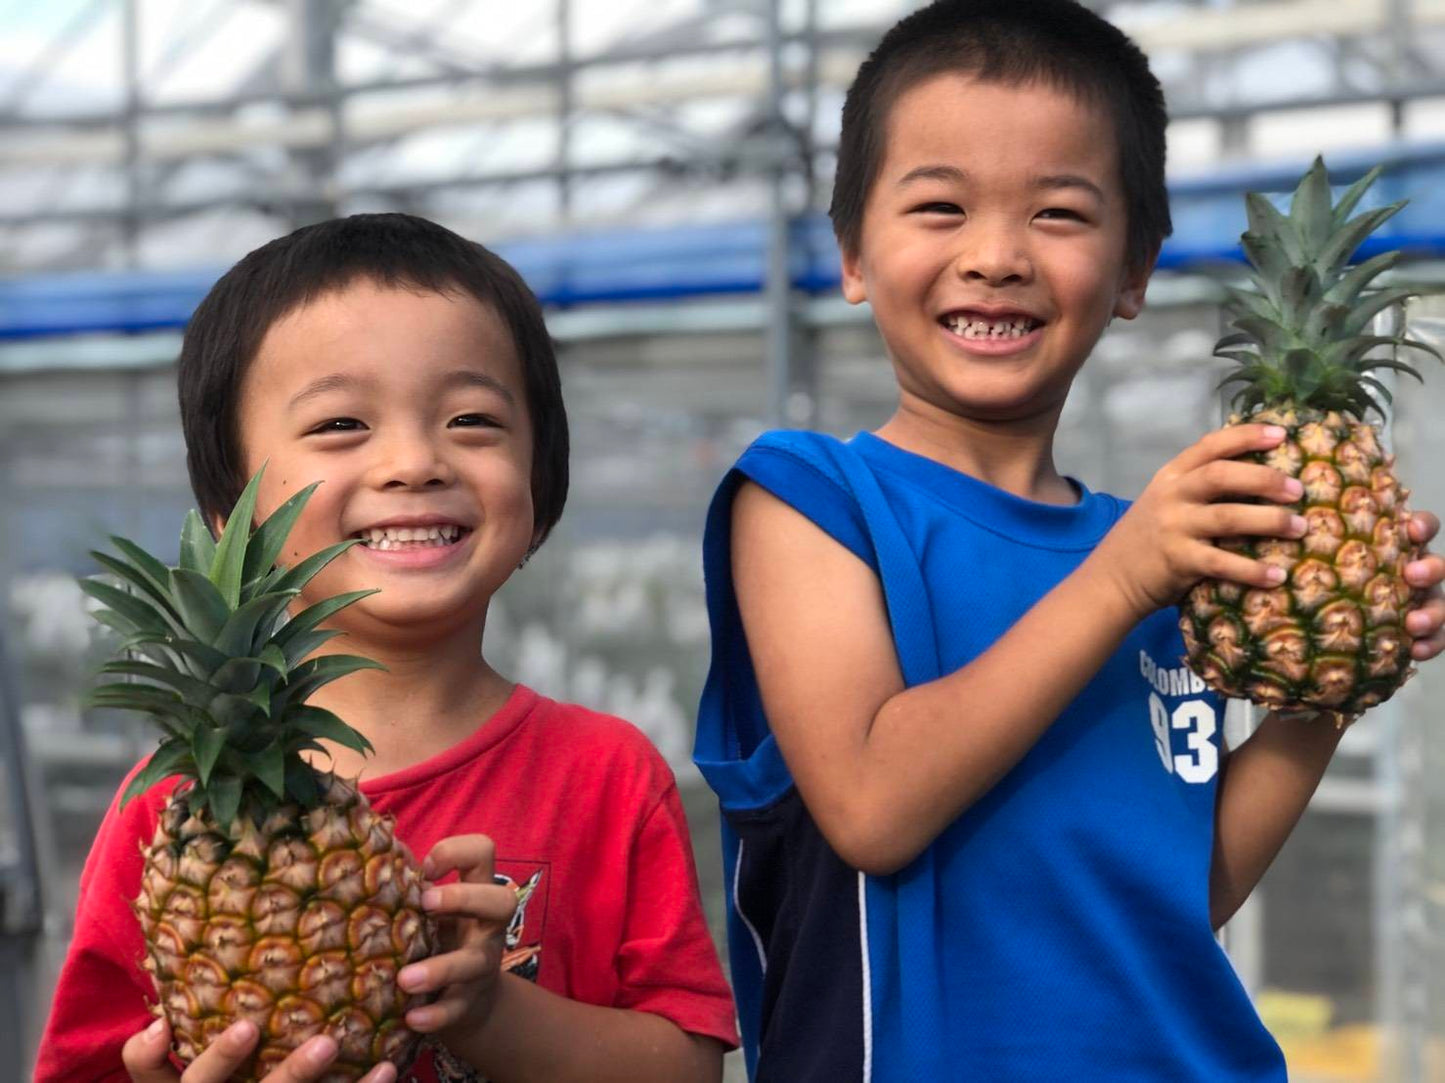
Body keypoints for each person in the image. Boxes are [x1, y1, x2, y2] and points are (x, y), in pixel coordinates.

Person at [692, 1, 1445, 1080]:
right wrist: (1124, 574)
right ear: (853, 251)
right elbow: (870, 803)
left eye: (1056, 214)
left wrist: (1321, 698)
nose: (995, 256)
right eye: (939, 206)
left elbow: (1183, 887)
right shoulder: (812, 497)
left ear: (1131, 270)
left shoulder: (1165, 551)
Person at [38, 214, 737, 1083]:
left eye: (472, 418)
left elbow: (689, 1069)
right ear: (233, 514)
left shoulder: (608, 774)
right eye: (339, 424)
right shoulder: (172, 815)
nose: (413, 461)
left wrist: (490, 1013)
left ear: (540, 480)